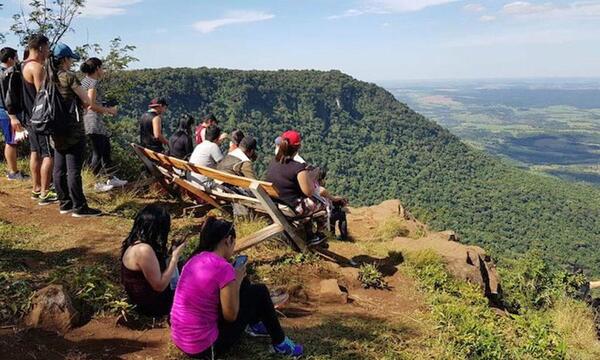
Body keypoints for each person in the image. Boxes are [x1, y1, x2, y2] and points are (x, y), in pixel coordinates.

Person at [170, 217, 303, 358]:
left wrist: (237, 280)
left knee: (242, 279)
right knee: (260, 291)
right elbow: (230, 316)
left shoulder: (194, 259)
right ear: (228, 240)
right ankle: (280, 343)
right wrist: (237, 281)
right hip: (206, 348)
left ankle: (255, 324)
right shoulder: (222, 268)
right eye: (234, 242)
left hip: (181, 340)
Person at [51, 43, 102, 217]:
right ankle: (79, 207)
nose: (71, 62)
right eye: (70, 58)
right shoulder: (69, 77)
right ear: (65, 59)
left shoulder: (47, 77)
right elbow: (87, 101)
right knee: (73, 170)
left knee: (58, 168)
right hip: (72, 128)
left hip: (54, 127)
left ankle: (64, 204)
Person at [121, 205, 187, 317]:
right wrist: (174, 258)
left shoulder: (136, 242)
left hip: (145, 299)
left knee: (184, 267)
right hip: (152, 306)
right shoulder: (143, 250)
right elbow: (159, 286)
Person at [266, 130, 326, 246]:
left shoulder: (273, 162)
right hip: (290, 208)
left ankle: (308, 232)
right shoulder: (298, 168)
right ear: (298, 147)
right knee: (323, 204)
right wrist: (311, 177)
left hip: (274, 203)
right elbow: (308, 192)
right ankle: (317, 235)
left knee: (305, 204)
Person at [79, 57, 127, 191]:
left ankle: (110, 177)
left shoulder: (84, 81)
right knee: (98, 152)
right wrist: (109, 110)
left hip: (88, 120)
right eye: (102, 67)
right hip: (93, 120)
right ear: (97, 68)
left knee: (105, 148)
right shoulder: (93, 83)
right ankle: (92, 182)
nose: (103, 70)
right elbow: (91, 105)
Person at [22, 34, 57, 204]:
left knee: (35, 152)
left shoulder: (22, 66)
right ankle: (45, 192)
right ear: (41, 47)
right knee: (48, 155)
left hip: (29, 118)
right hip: (41, 119)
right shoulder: (37, 68)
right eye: (48, 47)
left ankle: (36, 188)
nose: (48, 51)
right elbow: (43, 95)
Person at [0, 47, 27, 180]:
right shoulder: (5, 74)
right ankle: (13, 172)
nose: (18, 60)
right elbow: (6, 97)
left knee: (12, 141)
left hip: (5, 112)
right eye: (16, 57)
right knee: (11, 142)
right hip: (7, 113)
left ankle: (13, 170)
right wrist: (13, 116)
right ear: (10, 59)